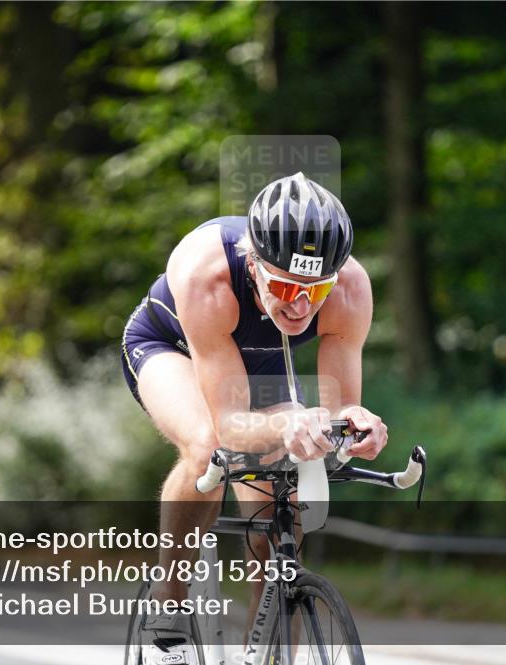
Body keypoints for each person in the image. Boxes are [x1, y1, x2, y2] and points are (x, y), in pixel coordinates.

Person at [120, 172, 388, 650]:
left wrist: (356, 424)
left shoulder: (350, 288)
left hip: (258, 362)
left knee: (282, 494)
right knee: (208, 449)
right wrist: (285, 422)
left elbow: (340, 404)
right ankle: (168, 609)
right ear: (254, 262)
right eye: (286, 288)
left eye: (316, 290)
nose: (302, 305)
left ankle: (268, 650)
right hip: (171, 346)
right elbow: (229, 424)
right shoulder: (208, 273)